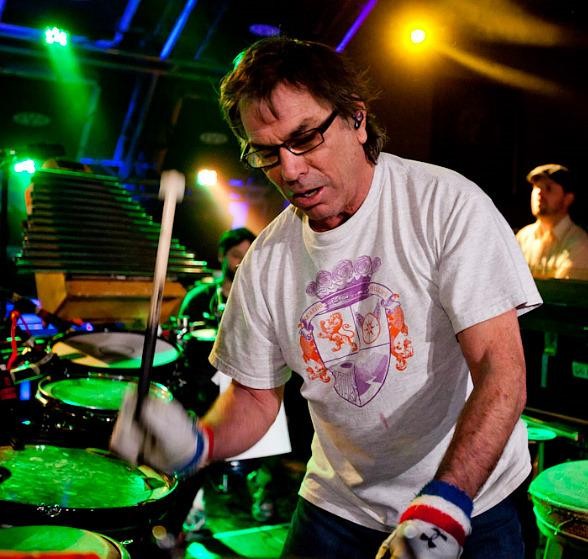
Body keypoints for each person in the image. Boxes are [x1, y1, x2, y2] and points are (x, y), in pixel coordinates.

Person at [111, 37, 542, 559]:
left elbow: (501, 372)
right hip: (339, 504)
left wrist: (443, 508)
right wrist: (200, 443)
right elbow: (254, 397)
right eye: (267, 152)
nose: (289, 170)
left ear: (357, 119)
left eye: (305, 138)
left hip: (471, 498)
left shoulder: (445, 205)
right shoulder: (266, 260)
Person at [515, 163, 588, 280]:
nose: (539, 193)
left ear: (567, 199)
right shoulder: (523, 237)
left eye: (548, 188)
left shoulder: (580, 244)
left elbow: (560, 291)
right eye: (536, 187)